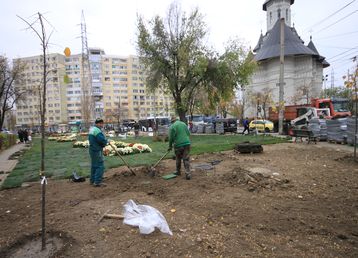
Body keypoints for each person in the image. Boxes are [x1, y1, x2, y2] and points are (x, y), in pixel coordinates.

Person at [168, 116, 192, 180]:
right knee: (186, 159)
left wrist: (170, 146)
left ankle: (178, 171)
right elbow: (188, 133)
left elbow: (171, 138)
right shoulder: (184, 124)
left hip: (178, 145)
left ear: (172, 121)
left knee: (178, 158)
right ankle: (188, 173)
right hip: (187, 143)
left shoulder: (172, 126)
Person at [88, 118, 108, 187]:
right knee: (100, 165)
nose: (102, 125)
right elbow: (101, 140)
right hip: (97, 150)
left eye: (102, 123)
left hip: (92, 149)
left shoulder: (92, 129)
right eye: (101, 123)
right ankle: (97, 181)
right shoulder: (97, 130)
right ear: (98, 123)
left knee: (94, 165)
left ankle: (92, 180)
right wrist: (106, 141)